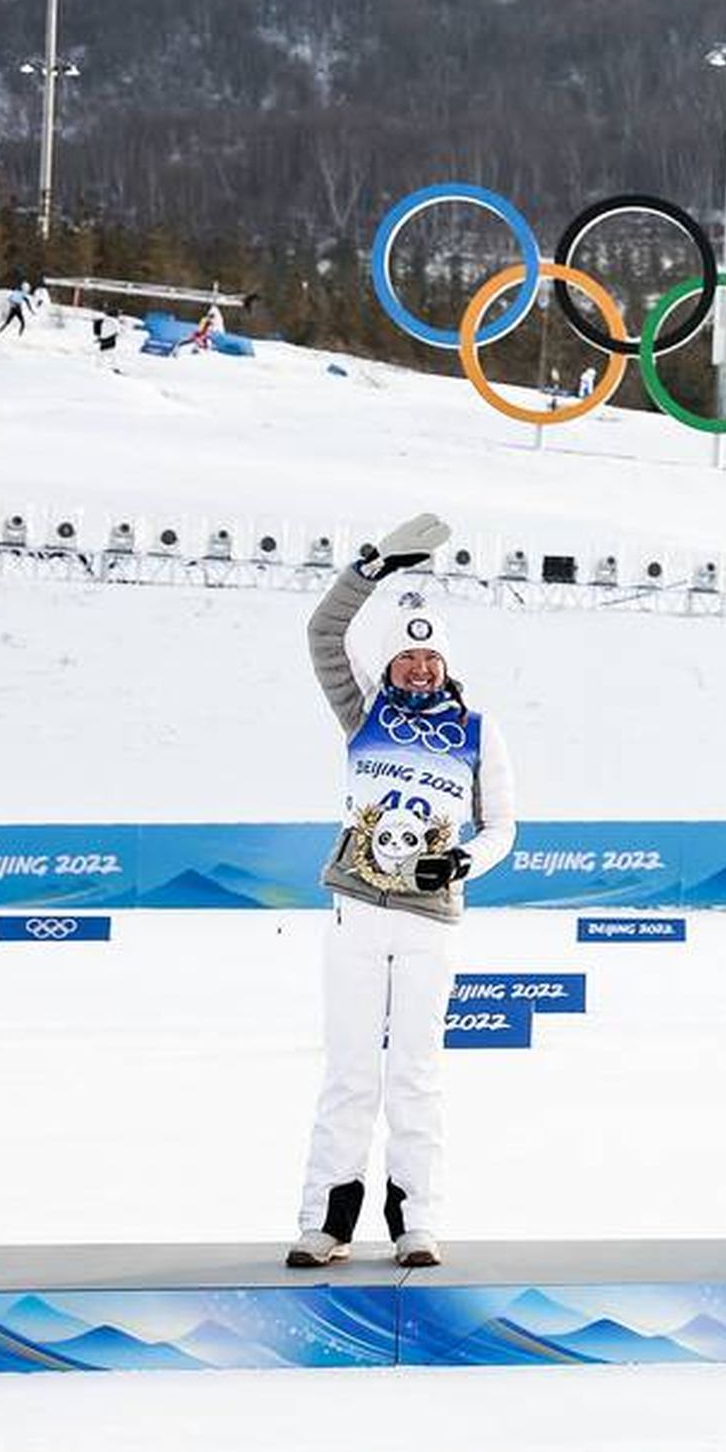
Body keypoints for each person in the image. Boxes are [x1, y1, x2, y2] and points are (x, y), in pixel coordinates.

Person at [286, 512, 516, 1269]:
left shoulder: (480, 734)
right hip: (356, 910)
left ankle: (417, 1219)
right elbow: (324, 632)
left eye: (431, 657)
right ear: (387, 668)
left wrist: (464, 864)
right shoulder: (363, 714)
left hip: (430, 921)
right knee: (349, 1069)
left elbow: (502, 827)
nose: (419, 667)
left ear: (446, 666)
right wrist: (374, 566)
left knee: (416, 1071)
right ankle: (327, 1220)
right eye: (406, 657)